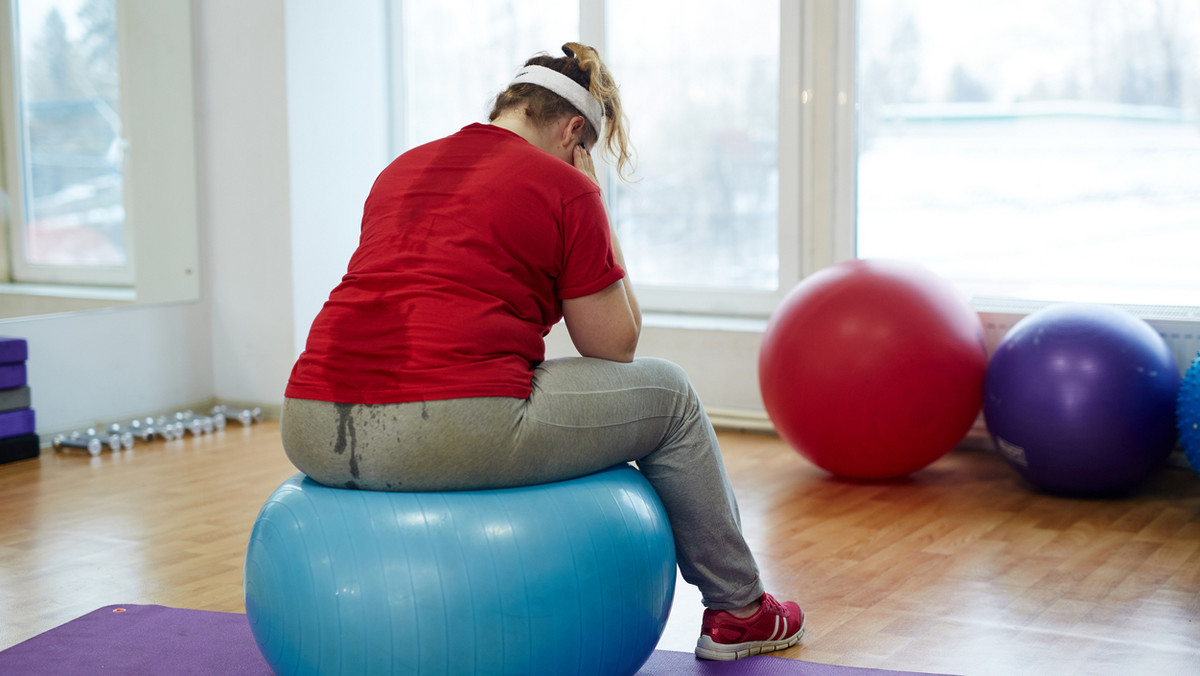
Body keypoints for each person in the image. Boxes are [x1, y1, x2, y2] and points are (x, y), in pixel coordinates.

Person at [281, 42, 804, 662]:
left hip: (309, 420)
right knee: (673, 396)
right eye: (588, 153)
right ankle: (741, 610)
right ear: (573, 130)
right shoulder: (565, 185)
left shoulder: (403, 168)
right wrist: (595, 206)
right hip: (447, 424)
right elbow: (614, 345)